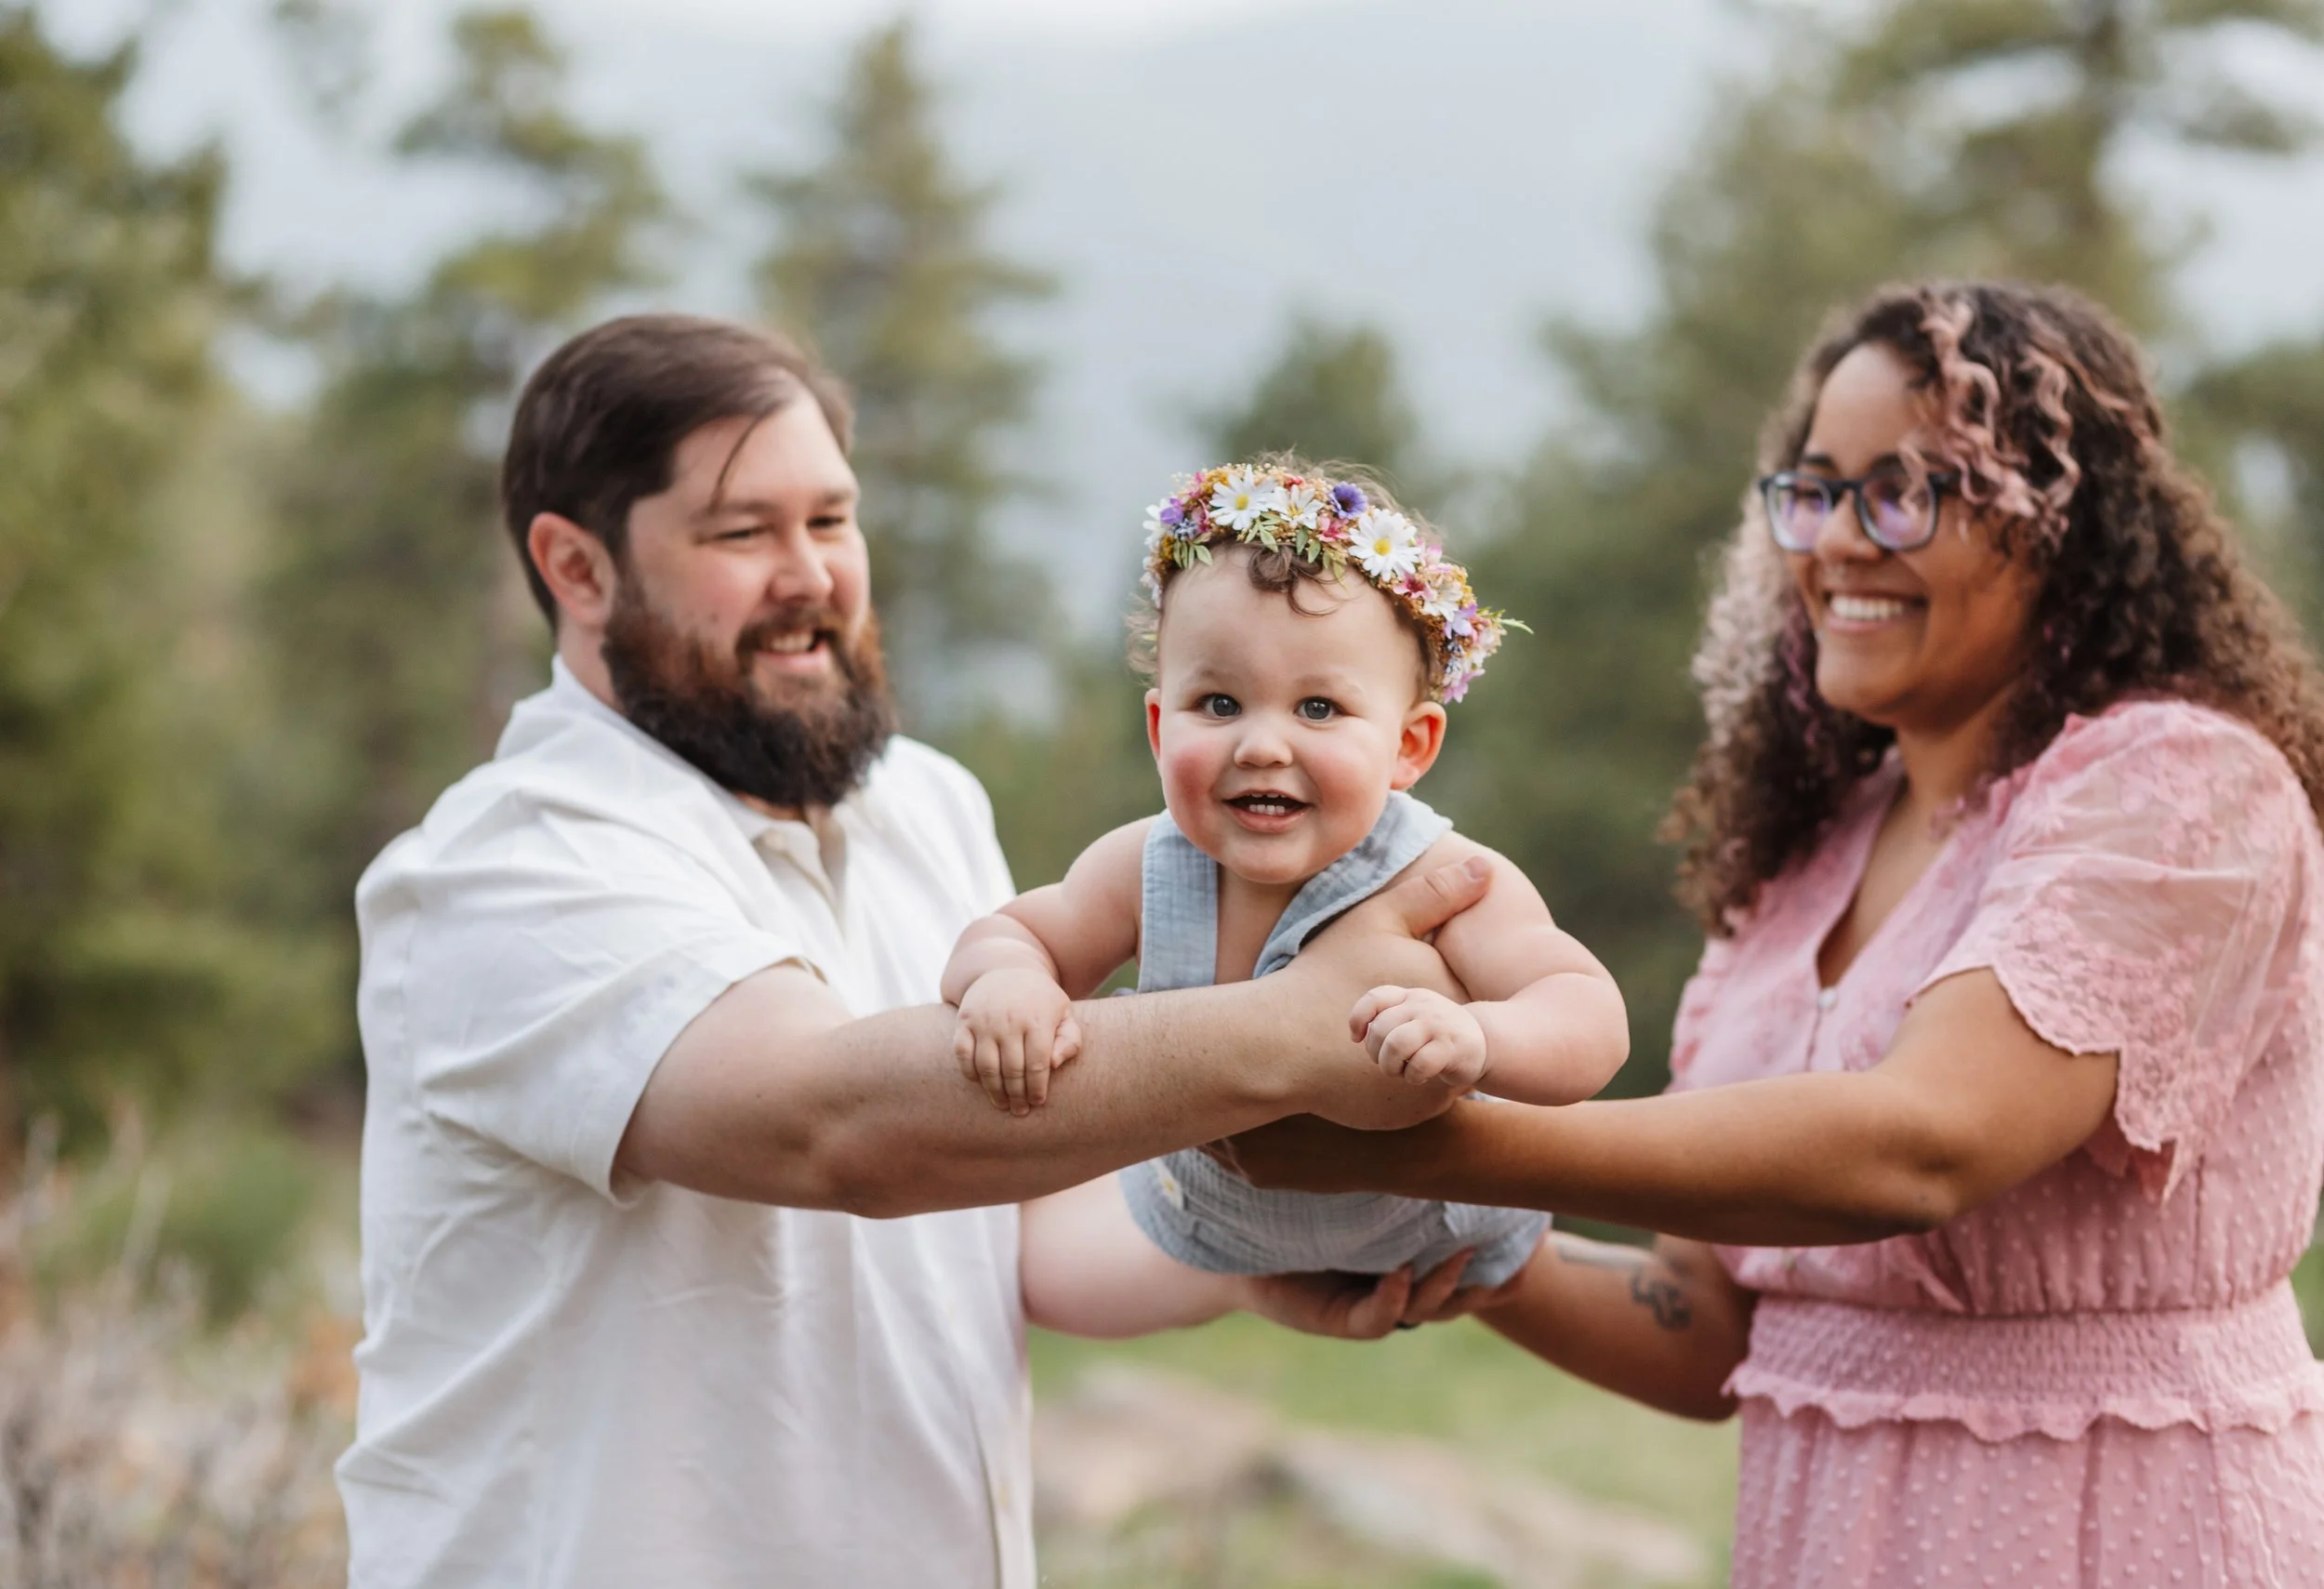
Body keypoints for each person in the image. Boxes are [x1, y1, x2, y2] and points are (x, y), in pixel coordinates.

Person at [335, 314, 1513, 1589]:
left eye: (831, 521)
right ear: (576, 567)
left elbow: (1022, 1226)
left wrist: (1239, 1262)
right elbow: (835, 1127)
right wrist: (1310, 1028)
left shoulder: (925, 806)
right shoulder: (507, 865)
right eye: (744, 532)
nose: (813, 576)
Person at [1217, 281, 2324, 1586]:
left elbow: (1926, 1142)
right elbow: (1709, 1326)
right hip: (1833, 1536)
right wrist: (1454, 1246)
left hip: (2121, 1519)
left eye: (1905, 490)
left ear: (2061, 521)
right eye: (1812, 491)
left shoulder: (2183, 787)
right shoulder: (1808, 855)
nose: (1839, 542)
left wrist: (1430, 1143)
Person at [942, 459, 1627, 1289]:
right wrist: (1010, 981)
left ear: (1409, 745)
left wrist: (1483, 1038)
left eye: (1318, 708)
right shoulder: (1144, 864)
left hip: (1431, 1225)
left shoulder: (1449, 876)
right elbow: (1015, 931)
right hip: (1215, 1227)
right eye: (1221, 704)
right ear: (1161, 726)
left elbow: (1589, 1015)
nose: (1262, 745)